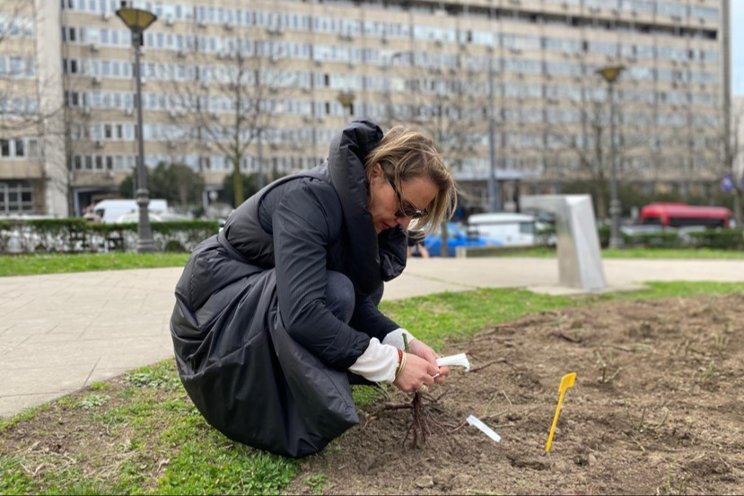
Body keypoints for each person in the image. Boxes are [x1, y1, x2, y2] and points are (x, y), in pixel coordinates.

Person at [170, 120, 457, 458]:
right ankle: (272, 409)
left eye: (416, 215)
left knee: (346, 290)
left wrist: (403, 342)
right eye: (404, 207)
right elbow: (303, 312)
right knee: (334, 292)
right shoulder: (308, 199)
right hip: (209, 336)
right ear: (377, 173)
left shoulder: (353, 210)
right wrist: (390, 365)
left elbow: (356, 304)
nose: (403, 222)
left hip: (243, 314)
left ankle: (294, 392)